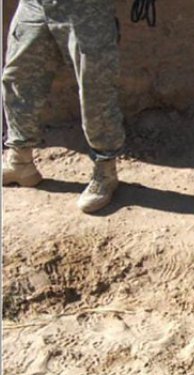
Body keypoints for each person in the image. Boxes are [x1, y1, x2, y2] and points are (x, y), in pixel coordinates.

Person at [2, 0, 126, 214]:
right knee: (17, 77)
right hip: (35, 4)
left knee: (96, 88)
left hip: (87, 9)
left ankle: (105, 171)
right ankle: (20, 161)